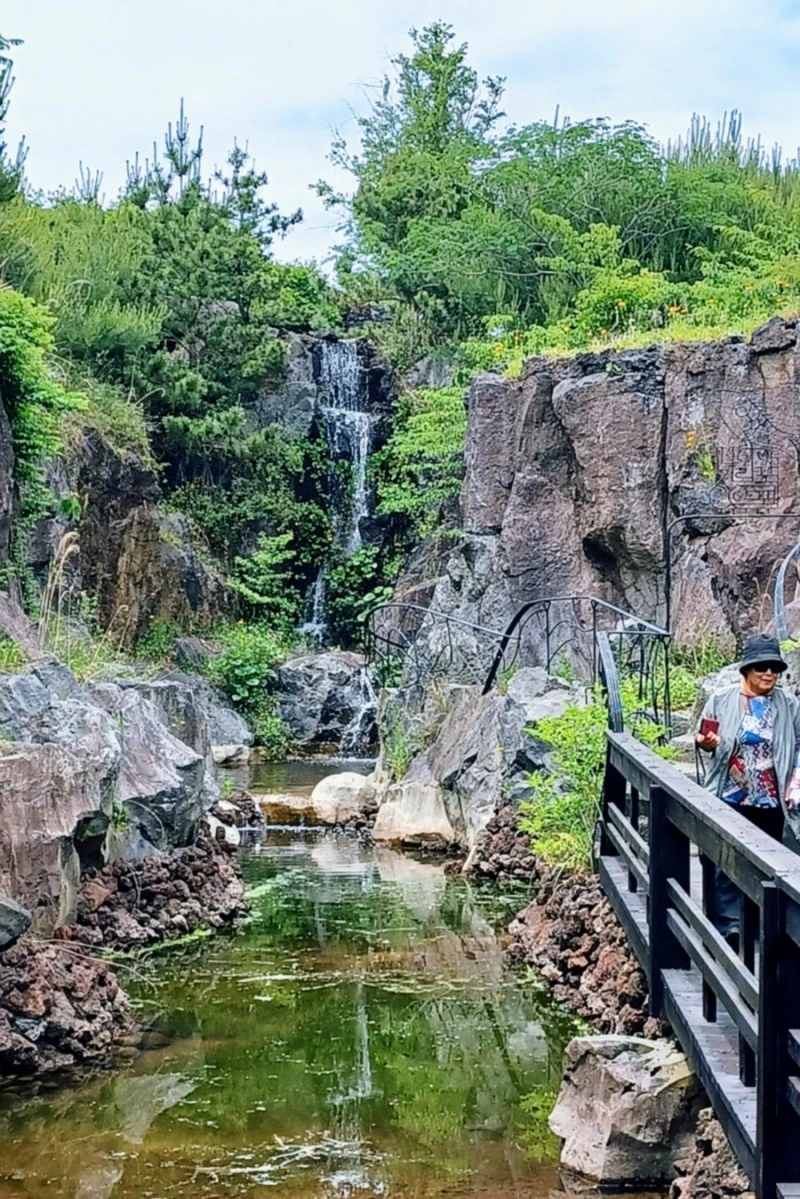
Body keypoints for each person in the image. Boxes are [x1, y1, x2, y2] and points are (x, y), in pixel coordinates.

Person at [695, 632, 800, 948]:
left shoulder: (788, 704)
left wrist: (796, 781)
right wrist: (707, 743)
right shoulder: (722, 699)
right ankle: (731, 927)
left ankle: (760, 926)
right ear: (747, 669)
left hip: (772, 798)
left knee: (768, 861)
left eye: (774, 668)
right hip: (731, 795)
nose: (768, 673)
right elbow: (704, 737)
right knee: (726, 860)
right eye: (761, 667)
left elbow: (798, 743)